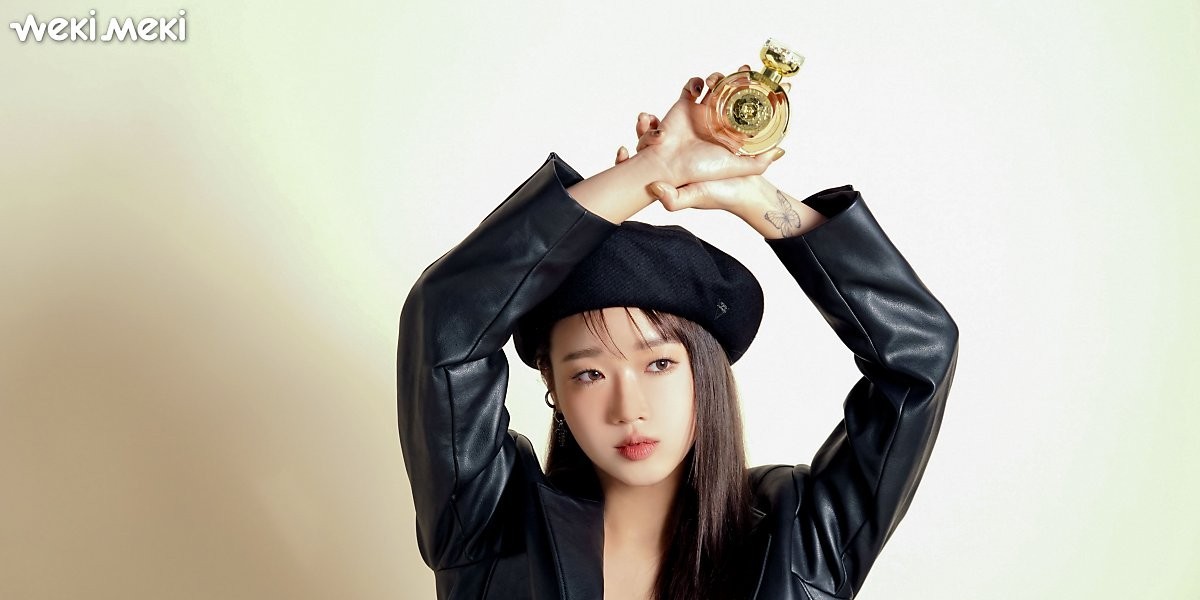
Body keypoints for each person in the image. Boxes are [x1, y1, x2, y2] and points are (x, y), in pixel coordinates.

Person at [397, 66, 959, 600]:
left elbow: (919, 355)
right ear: (555, 390)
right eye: (589, 373)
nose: (629, 409)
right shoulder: (491, 525)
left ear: (705, 373)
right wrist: (650, 171)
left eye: (660, 364)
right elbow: (447, 321)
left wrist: (749, 194)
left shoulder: (796, 539)